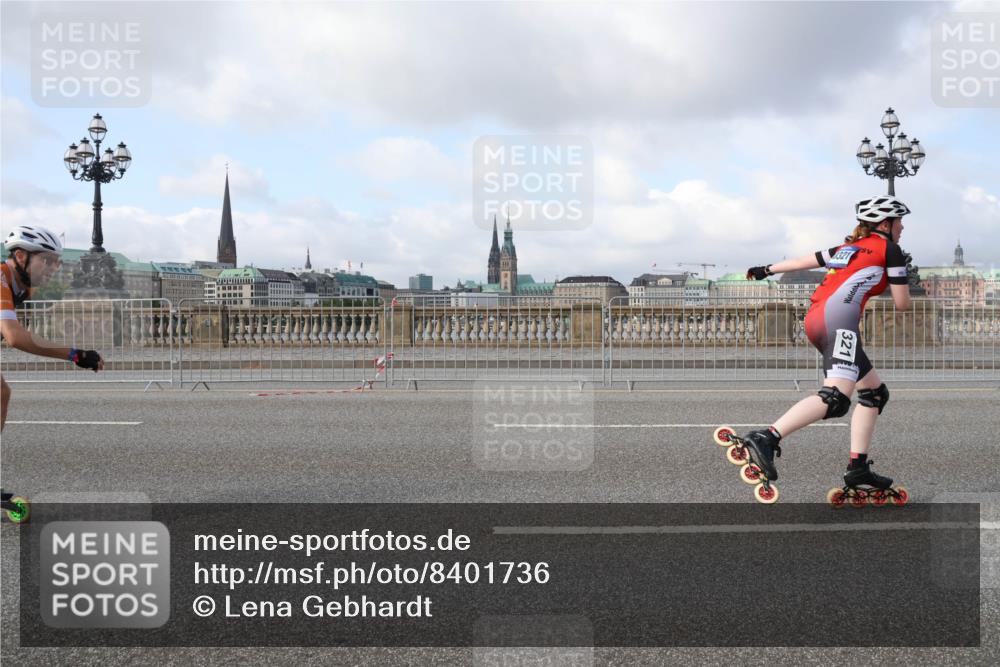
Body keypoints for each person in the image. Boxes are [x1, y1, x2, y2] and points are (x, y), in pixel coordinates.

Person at [739, 195, 912, 493]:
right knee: (836, 398)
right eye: (899, 222)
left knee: (874, 393)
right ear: (886, 224)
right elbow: (902, 304)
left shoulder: (846, 248)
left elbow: (803, 261)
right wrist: (895, 273)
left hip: (817, 319)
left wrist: (766, 270)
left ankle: (858, 469)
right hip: (839, 322)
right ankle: (767, 437)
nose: (902, 227)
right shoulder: (891, 249)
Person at [1, 225, 104, 520]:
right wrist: (73, 354)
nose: (54, 268)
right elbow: (15, 337)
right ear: (21, 256)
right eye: (47, 260)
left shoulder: (22, 287)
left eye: (57, 261)